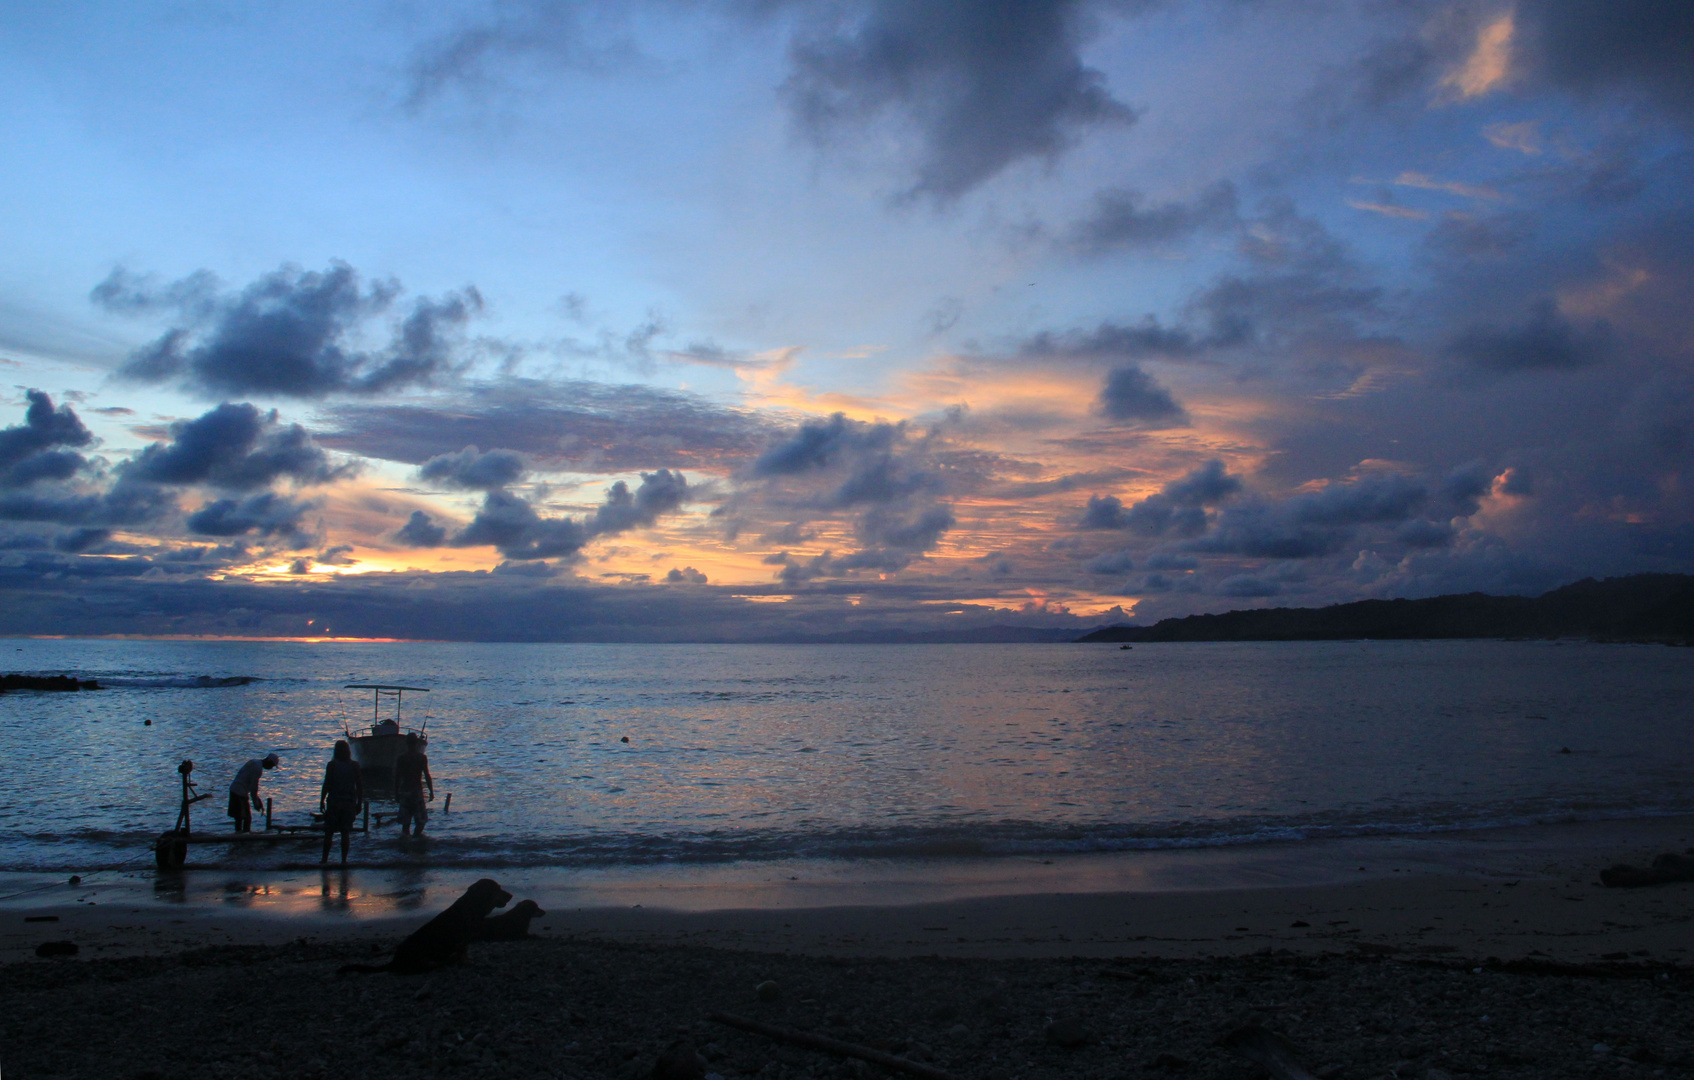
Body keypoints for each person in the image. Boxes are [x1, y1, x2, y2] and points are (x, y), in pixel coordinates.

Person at [319, 740, 363, 864]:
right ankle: (343, 860)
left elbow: (326, 784)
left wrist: (322, 800)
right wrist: (359, 802)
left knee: (329, 832)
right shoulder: (354, 765)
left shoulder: (332, 765)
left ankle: (324, 859)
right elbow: (359, 785)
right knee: (345, 832)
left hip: (334, 801)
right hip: (348, 802)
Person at [394, 733, 435, 838]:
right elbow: (427, 775)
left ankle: (407, 843)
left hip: (405, 791)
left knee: (405, 823)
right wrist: (431, 791)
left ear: (406, 743)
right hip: (416, 792)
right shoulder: (421, 758)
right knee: (421, 821)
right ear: (416, 743)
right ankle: (416, 839)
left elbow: (397, 777)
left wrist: (396, 793)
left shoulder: (401, 758)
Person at [227, 753, 278, 833]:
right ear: (268, 761)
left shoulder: (255, 762)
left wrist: (257, 800)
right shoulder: (257, 768)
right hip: (239, 792)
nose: (271, 768)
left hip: (236, 790)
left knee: (240, 817)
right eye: (271, 765)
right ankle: (243, 836)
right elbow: (253, 788)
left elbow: (252, 788)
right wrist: (256, 803)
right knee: (245, 818)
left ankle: (239, 835)